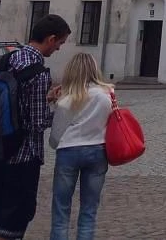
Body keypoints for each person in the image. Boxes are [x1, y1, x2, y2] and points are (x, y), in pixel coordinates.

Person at [0, 13, 71, 240]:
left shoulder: (8, 60)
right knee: (14, 222)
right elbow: (38, 122)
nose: (59, 48)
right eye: (60, 43)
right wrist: (65, 112)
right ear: (51, 39)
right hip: (23, 156)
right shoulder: (38, 72)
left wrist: (45, 98)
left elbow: (14, 102)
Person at [48, 52, 116, 240]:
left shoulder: (67, 99)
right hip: (97, 150)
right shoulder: (107, 96)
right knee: (89, 210)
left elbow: (55, 137)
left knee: (61, 211)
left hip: (69, 151)